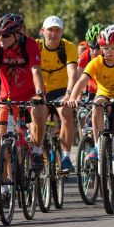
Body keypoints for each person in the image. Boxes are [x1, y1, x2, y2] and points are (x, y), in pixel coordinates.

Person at [66, 25, 114, 200]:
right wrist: (73, 97)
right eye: (105, 48)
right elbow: (82, 80)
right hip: (105, 96)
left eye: (112, 48)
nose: (108, 52)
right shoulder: (96, 62)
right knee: (97, 105)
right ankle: (97, 146)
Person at [0, 13, 47, 202]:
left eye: (5, 35)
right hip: (7, 98)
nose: (1, 38)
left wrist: (39, 94)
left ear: (17, 34)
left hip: (31, 95)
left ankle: (37, 152)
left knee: (39, 111)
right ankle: (4, 187)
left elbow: (36, 71)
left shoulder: (30, 45)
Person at [37, 15, 78, 174]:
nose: (53, 33)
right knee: (37, 118)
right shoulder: (36, 46)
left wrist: (69, 94)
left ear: (61, 32)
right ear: (43, 31)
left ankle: (66, 157)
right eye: (50, 30)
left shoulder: (68, 46)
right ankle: (38, 153)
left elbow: (72, 73)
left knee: (67, 112)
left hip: (62, 90)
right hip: (41, 91)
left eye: (57, 30)